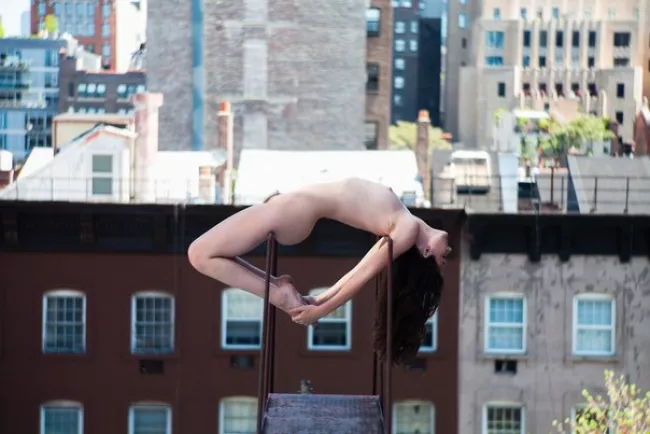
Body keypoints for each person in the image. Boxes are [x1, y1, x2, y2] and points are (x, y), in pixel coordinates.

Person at [187, 177, 450, 364]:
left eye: (443, 260)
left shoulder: (407, 229)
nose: (448, 253)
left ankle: (279, 295)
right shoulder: (403, 221)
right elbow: (357, 271)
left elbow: (362, 276)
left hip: (293, 212)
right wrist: (319, 299)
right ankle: (277, 287)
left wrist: (320, 311)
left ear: (427, 251)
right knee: (211, 254)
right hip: (292, 207)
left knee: (199, 254)